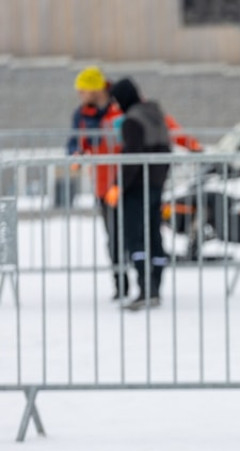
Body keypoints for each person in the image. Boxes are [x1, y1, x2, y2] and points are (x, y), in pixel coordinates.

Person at [107, 78, 173, 311]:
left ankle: (146, 290)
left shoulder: (132, 121)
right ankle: (155, 286)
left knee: (136, 239)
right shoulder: (155, 115)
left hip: (136, 189)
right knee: (154, 236)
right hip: (155, 186)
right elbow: (167, 150)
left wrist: (118, 186)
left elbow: (131, 159)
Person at [67, 66, 127, 298]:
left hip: (127, 181)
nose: (80, 95)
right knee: (112, 237)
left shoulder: (119, 108)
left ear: (95, 90)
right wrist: (76, 155)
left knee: (133, 236)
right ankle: (119, 283)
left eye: (83, 90)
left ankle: (145, 282)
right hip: (103, 185)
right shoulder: (81, 114)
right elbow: (75, 142)